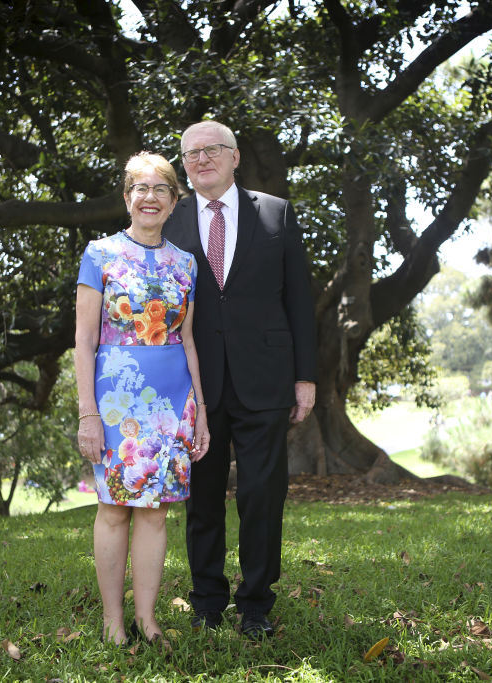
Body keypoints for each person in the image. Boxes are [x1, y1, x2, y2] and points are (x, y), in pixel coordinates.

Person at [162, 121, 317, 639]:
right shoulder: (170, 220)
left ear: (235, 158)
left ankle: (256, 606)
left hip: (265, 379)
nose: (201, 159)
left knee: (261, 497)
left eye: (212, 150)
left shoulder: (275, 212)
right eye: (191, 153)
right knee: (202, 499)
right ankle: (207, 602)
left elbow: (298, 299)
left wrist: (305, 378)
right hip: (197, 386)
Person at [75, 152, 211, 648]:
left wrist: (200, 414)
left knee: (156, 511)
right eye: (140, 188)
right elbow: (84, 341)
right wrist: (88, 414)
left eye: (161, 190)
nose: (149, 197)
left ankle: (149, 620)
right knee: (114, 508)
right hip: (116, 400)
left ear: (175, 201)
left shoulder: (187, 264)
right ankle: (113, 621)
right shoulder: (99, 255)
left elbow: (189, 340)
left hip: (174, 402)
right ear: (126, 197)